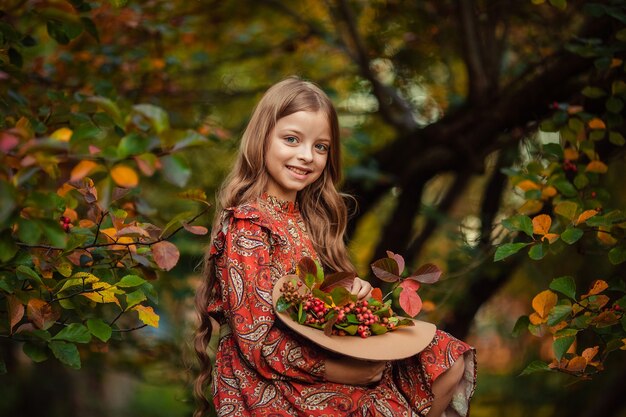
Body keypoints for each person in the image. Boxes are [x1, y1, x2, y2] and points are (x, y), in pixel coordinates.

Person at [194, 77, 476, 417]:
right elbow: (256, 340)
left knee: (444, 356)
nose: (306, 156)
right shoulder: (249, 225)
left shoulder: (300, 220)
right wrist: (346, 372)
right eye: (291, 139)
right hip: (268, 383)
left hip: (308, 364)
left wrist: (345, 295)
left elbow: (305, 310)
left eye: (320, 146)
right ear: (261, 137)